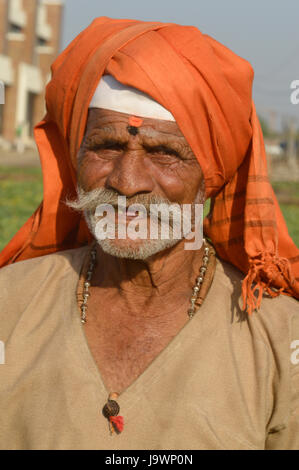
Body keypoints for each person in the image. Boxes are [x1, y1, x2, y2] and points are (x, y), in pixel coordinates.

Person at [0, 17, 298, 450]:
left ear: (210, 175)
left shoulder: (279, 339)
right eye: (106, 146)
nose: (126, 181)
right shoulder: (10, 306)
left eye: (164, 153)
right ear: (75, 156)